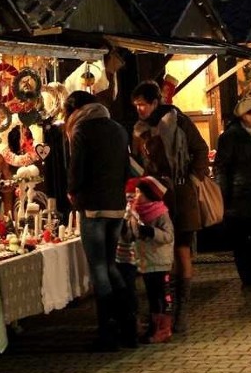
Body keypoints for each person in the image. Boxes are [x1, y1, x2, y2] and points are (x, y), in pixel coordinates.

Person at [131, 79, 210, 334]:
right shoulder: (141, 129)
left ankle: (181, 311)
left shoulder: (178, 121)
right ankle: (163, 309)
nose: (139, 109)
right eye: (136, 105)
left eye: (143, 104)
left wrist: (193, 179)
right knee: (160, 251)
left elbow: (200, 150)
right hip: (157, 195)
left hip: (181, 193)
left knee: (182, 250)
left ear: (155, 102)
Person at [65, 90, 133, 351]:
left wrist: (73, 192)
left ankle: (108, 333)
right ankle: (128, 325)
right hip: (116, 206)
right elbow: (126, 168)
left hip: (92, 208)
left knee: (99, 269)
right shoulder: (117, 129)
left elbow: (76, 169)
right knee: (112, 265)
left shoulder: (82, 130)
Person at [213, 96, 251, 287]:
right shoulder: (230, 137)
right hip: (238, 194)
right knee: (240, 238)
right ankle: (246, 275)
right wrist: (224, 195)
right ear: (241, 116)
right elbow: (221, 167)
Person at [127, 176, 175, 343]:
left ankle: (163, 328)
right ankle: (154, 327)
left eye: (140, 192)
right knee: (152, 295)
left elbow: (168, 236)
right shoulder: (136, 212)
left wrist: (151, 232)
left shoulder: (160, 213)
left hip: (160, 261)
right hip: (147, 261)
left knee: (162, 295)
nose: (137, 195)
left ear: (150, 195)